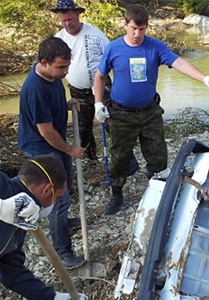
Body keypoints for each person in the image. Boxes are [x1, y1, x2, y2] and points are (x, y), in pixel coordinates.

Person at [93, 4, 209, 215]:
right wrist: (98, 102)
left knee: (158, 158)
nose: (137, 34)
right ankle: (117, 193)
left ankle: (158, 192)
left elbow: (180, 63)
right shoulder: (113, 48)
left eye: (142, 29)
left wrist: (205, 79)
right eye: (133, 28)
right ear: (125, 25)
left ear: (147, 27)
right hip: (121, 114)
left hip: (149, 113)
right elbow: (100, 76)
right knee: (119, 156)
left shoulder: (155, 47)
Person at [18, 36, 85, 269]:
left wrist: (65, 104)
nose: (66, 72)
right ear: (45, 62)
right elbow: (46, 131)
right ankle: (63, 252)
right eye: (61, 67)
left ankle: (63, 223)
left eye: (67, 66)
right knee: (59, 198)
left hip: (54, 143)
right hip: (43, 147)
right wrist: (70, 150)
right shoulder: (35, 88)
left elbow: (51, 103)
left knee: (65, 187)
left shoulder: (51, 75)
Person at [0, 156, 88, 300]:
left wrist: (51, 297)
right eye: (58, 198)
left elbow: (12, 273)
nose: (56, 202)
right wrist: (1, 207)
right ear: (47, 190)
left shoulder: (20, 225)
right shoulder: (3, 187)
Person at [50, 0, 110, 160]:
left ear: (78, 15)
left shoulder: (95, 34)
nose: (68, 23)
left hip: (103, 87)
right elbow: (51, 69)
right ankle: (91, 160)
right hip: (78, 91)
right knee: (84, 129)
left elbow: (112, 58)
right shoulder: (58, 40)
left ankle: (123, 159)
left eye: (71, 19)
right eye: (64, 21)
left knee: (113, 123)